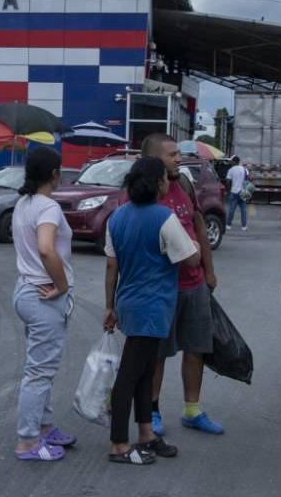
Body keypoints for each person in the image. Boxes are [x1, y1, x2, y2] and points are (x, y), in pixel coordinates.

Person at [104, 156, 200, 465]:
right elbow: (190, 260)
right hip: (153, 305)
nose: (167, 183)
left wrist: (110, 305)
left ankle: (146, 433)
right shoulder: (164, 216)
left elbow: (111, 264)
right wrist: (195, 244)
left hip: (129, 302)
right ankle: (119, 443)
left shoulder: (117, 216)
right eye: (165, 179)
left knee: (145, 372)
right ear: (158, 183)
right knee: (130, 375)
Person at [138, 134, 224, 439]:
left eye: (178, 154)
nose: (178, 159)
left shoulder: (185, 185)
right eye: (171, 155)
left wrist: (209, 271)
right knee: (157, 353)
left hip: (195, 283)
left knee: (196, 347)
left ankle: (192, 411)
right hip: (162, 288)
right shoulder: (143, 192)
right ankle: (153, 411)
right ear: (152, 159)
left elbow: (198, 226)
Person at [10, 147, 75, 462]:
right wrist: (62, 285)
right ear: (54, 173)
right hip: (43, 295)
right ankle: (28, 441)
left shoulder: (24, 203)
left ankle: (45, 427)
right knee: (39, 372)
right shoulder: (49, 207)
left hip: (25, 290)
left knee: (42, 369)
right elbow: (47, 249)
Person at [225, 156, 248, 231]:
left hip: (234, 192)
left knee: (231, 209)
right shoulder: (244, 169)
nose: (230, 162)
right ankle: (244, 226)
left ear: (234, 162)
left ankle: (228, 225)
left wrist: (228, 190)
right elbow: (247, 179)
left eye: (231, 161)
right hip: (243, 192)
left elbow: (227, 181)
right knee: (243, 210)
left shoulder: (231, 170)